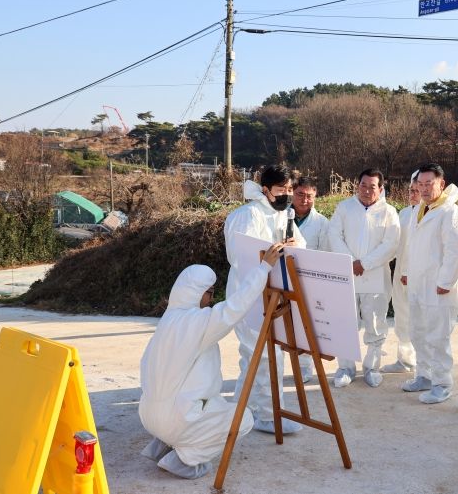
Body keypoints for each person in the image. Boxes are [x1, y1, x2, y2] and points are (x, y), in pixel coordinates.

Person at [139, 244, 283, 479]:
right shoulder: (197, 322)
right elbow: (235, 307)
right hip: (175, 420)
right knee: (243, 418)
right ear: (196, 292)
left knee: (213, 402)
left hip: (149, 415)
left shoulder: (168, 319)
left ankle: (162, 445)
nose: (211, 299)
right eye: (209, 292)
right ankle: (184, 460)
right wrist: (264, 268)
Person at [224, 164, 306, 435]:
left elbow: (300, 244)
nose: (287, 194)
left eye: (290, 189)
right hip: (249, 296)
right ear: (265, 190)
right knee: (267, 356)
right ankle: (270, 417)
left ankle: (239, 410)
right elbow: (241, 256)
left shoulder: (282, 214)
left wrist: (294, 247)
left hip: (270, 295)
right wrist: (276, 252)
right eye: (281, 189)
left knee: (254, 356)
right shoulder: (248, 215)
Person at [399, 163, 458, 404]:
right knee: (418, 332)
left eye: (429, 184)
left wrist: (445, 282)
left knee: (438, 337)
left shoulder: (452, 213)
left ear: (442, 183)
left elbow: (454, 251)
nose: (424, 189)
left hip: (439, 287)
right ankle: (424, 375)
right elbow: (413, 246)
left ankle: (442, 383)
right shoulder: (421, 209)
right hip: (418, 283)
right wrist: (407, 271)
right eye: (420, 184)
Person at [328, 168, 400, 388]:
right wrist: (351, 262)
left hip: (375, 276)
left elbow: (391, 244)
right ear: (357, 185)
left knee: (375, 323)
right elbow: (334, 235)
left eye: (372, 186)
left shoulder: (388, 212)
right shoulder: (345, 207)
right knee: (345, 322)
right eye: (363, 185)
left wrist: (365, 263)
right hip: (347, 274)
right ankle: (345, 368)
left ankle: (372, 367)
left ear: (381, 188)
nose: (367, 190)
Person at [291, 176, 331, 383]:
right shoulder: (280, 216)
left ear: (315, 196)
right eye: (300, 194)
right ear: (292, 192)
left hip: (309, 281)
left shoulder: (322, 223)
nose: (304, 200)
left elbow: (325, 254)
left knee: (305, 325)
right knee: (282, 325)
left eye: (309, 196)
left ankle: (305, 367)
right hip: (283, 277)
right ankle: (279, 365)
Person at [381, 175, 420, 373]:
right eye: (411, 190)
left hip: (417, 275)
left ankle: (423, 364)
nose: (412, 194)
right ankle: (405, 360)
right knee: (402, 317)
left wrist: (409, 271)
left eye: (416, 191)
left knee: (417, 320)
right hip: (399, 275)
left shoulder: (428, 215)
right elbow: (395, 243)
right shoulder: (404, 214)